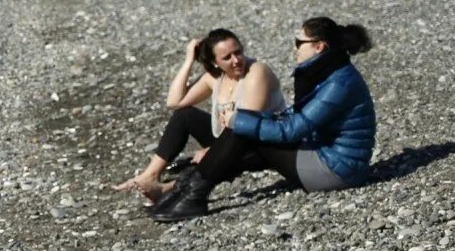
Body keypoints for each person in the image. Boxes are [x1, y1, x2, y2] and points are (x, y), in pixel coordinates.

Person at [152, 17, 375, 222]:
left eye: (299, 42)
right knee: (246, 128)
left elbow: (294, 130)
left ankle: (193, 194)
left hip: (337, 171)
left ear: (318, 46)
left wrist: (236, 121)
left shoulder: (338, 83)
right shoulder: (325, 71)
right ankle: (187, 188)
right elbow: (299, 121)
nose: (293, 47)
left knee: (243, 128)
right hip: (321, 152)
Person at [113, 29, 286, 204]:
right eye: (227, 57)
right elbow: (174, 102)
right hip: (228, 140)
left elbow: (248, 124)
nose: (236, 60)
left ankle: (170, 188)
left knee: (217, 155)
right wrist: (188, 60)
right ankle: (150, 175)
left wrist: (212, 150)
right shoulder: (215, 78)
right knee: (184, 115)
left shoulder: (257, 71)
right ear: (215, 62)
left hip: (261, 146)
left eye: (238, 52)